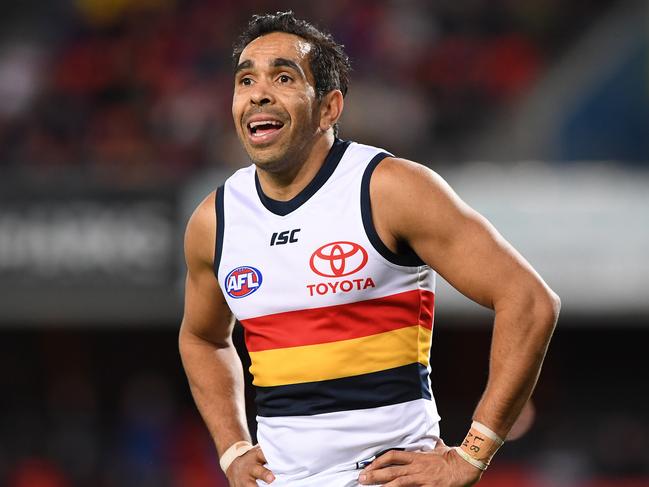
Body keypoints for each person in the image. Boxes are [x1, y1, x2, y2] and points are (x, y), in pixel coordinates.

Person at [178, 11, 560, 487]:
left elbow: (529, 300)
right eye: (245, 79)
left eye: (282, 77)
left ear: (329, 108)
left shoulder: (389, 189)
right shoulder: (215, 220)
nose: (258, 92)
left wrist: (471, 455)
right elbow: (202, 338)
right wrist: (233, 448)